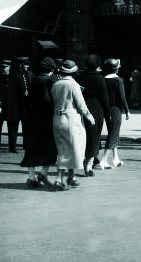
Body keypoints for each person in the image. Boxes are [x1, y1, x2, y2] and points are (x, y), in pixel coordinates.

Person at [51, 60, 95, 191]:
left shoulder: (55, 84)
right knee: (69, 150)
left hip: (57, 119)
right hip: (71, 119)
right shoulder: (73, 85)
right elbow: (82, 106)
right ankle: (59, 180)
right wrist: (90, 117)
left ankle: (71, 176)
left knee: (64, 149)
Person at [20, 57, 58, 190]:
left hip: (32, 119)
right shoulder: (50, 81)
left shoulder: (34, 79)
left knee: (32, 148)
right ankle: (43, 174)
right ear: (52, 69)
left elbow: (28, 99)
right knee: (49, 148)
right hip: (46, 119)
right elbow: (48, 100)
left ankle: (31, 177)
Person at [75, 54, 109, 176]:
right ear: (98, 65)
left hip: (81, 109)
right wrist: (108, 114)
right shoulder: (100, 78)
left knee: (83, 136)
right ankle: (89, 166)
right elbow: (105, 99)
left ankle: (87, 159)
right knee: (94, 138)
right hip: (97, 110)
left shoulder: (80, 77)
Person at [101, 58, 130, 169]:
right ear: (116, 69)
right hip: (116, 109)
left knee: (113, 133)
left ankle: (115, 158)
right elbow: (122, 97)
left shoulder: (103, 79)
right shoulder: (118, 80)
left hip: (106, 109)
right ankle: (104, 160)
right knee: (113, 134)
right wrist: (127, 110)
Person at [0, 59, 20, 153]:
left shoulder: (15, 79)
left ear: (9, 67)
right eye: (1, 67)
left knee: (13, 129)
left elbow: (19, 94)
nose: (3, 69)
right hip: (0, 107)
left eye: (5, 67)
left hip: (12, 107)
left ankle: (13, 147)